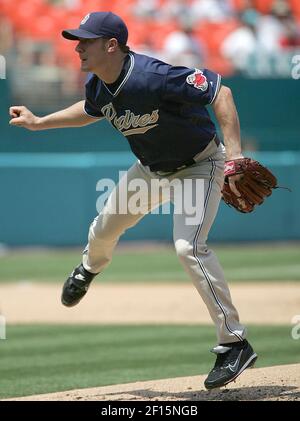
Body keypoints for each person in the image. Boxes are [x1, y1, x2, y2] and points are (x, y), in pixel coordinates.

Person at [9, 11, 257, 390]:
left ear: (112, 45)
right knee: (105, 226)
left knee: (187, 247)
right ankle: (87, 270)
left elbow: (221, 91)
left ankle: (234, 343)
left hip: (199, 165)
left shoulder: (154, 76)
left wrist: (236, 157)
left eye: (86, 41)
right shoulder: (97, 84)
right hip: (151, 170)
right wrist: (40, 121)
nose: (77, 47)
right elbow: (90, 111)